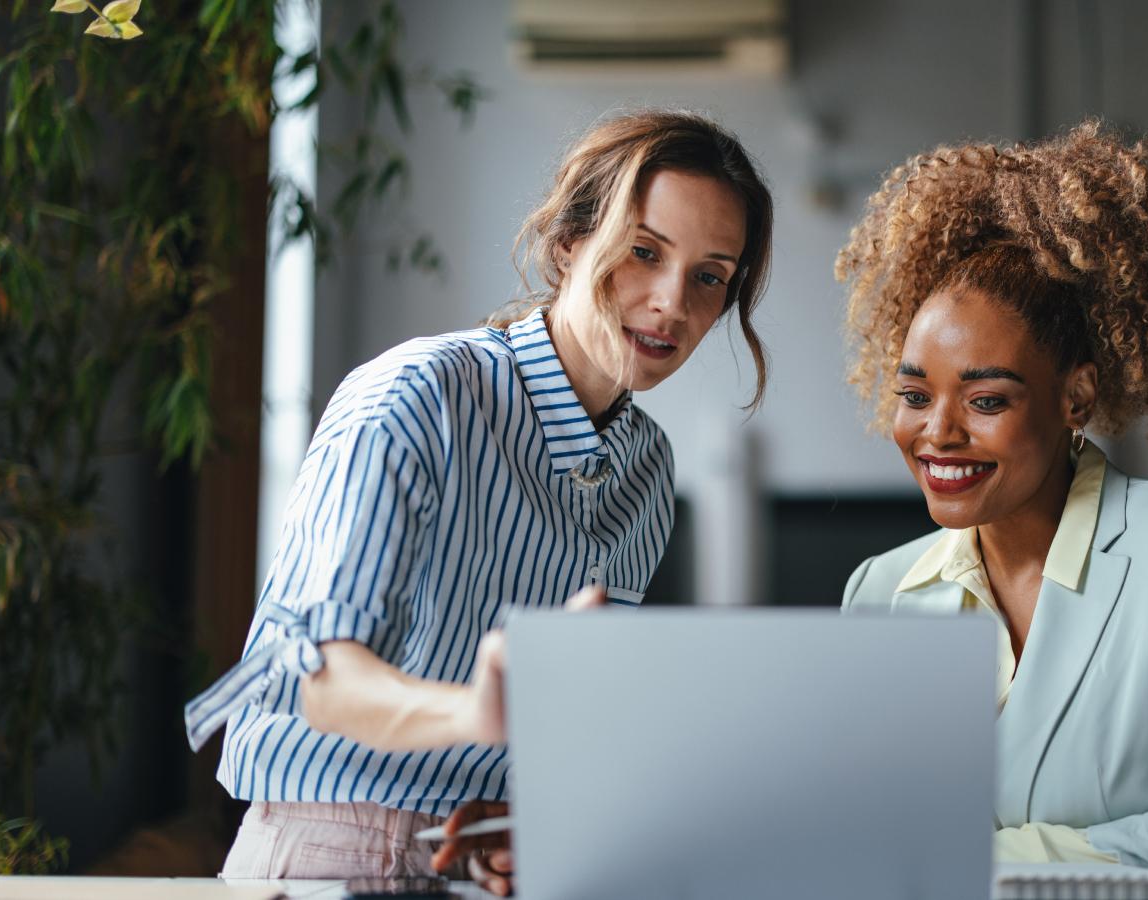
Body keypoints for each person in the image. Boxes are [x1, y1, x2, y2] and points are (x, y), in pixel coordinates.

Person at [182, 109, 774, 888]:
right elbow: (315, 676)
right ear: (569, 244)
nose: (673, 302)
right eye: (643, 253)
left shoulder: (646, 468)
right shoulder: (420, 394)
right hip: (336, 850)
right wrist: (473, 715)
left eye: (709, 277)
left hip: (493, 858)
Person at [834, 122, 1148, 887]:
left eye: (986, 397)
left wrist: (1003, 859)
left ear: (1077, 396)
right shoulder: (880, 593)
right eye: (913, 395)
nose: (938, 432)